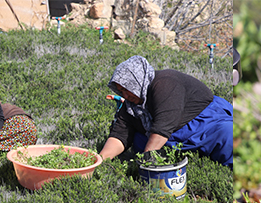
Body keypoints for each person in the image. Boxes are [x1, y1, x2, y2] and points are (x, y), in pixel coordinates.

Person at [98, 56, 234, 166]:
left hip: (203, 123)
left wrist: (147, 161)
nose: (125, 96)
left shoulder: (165, 83)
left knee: (227, 133)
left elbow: (163, 126)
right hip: (171, 135)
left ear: (136, 82)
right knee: (138, 140)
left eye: (126, 89)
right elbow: (119, 135)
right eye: (121, 91)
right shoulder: (131, 105)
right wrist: (100, 161)